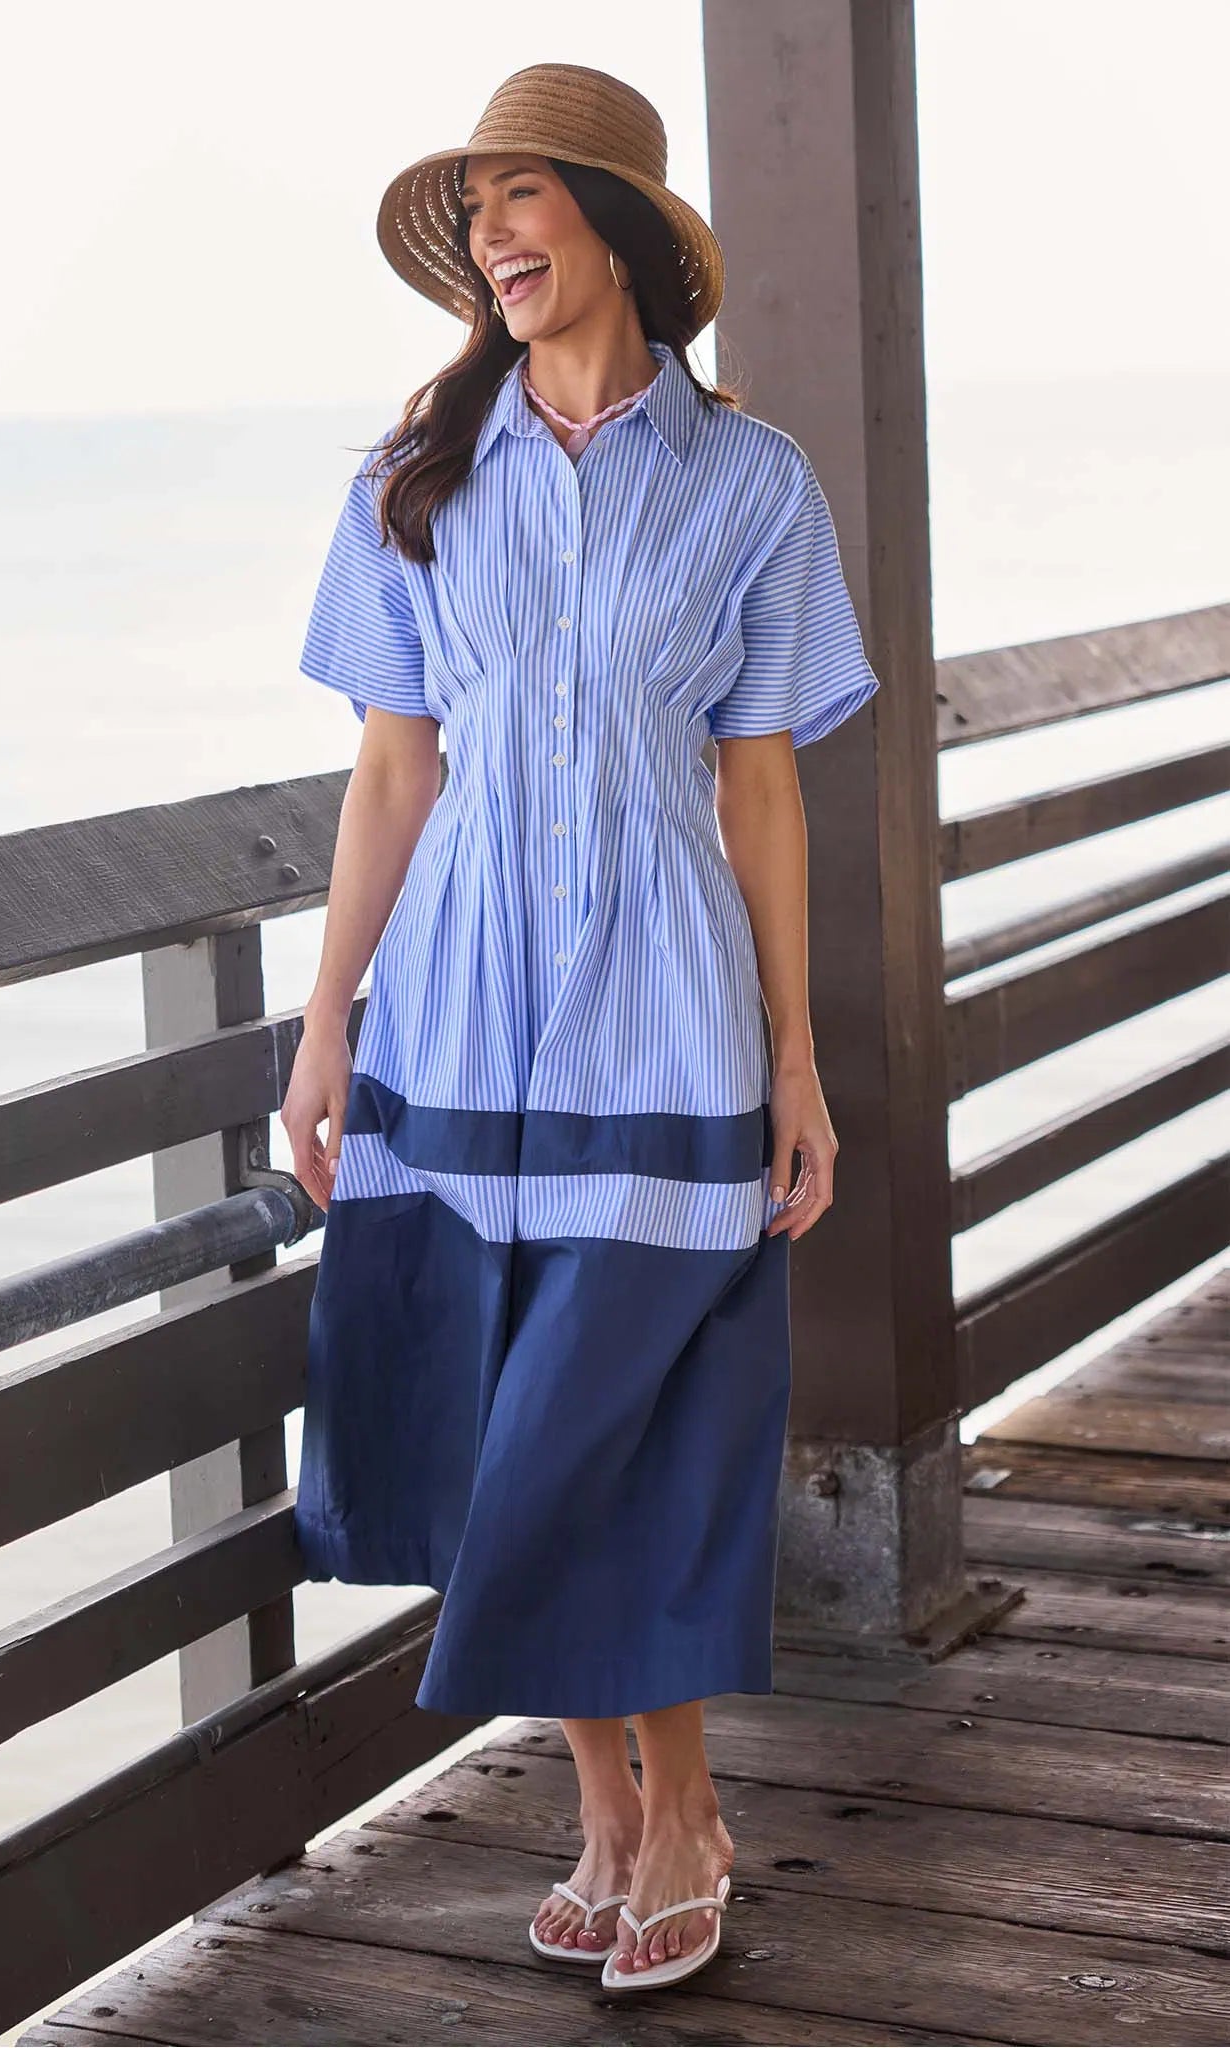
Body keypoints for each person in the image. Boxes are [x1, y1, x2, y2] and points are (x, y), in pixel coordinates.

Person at [281, 61, 881, 1995]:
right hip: (454, 1018)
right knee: (489, 1423)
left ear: (613, 222)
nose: (489, 237)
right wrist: (318, 1030)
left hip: (660, 1021)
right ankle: (614, 1816)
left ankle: (678, 1810)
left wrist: (794, 1058)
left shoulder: (749, 484)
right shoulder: (411, 478)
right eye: (470, 213)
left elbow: (764, 790)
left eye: (519, 196)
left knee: (609, 1428)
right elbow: (389, 775)